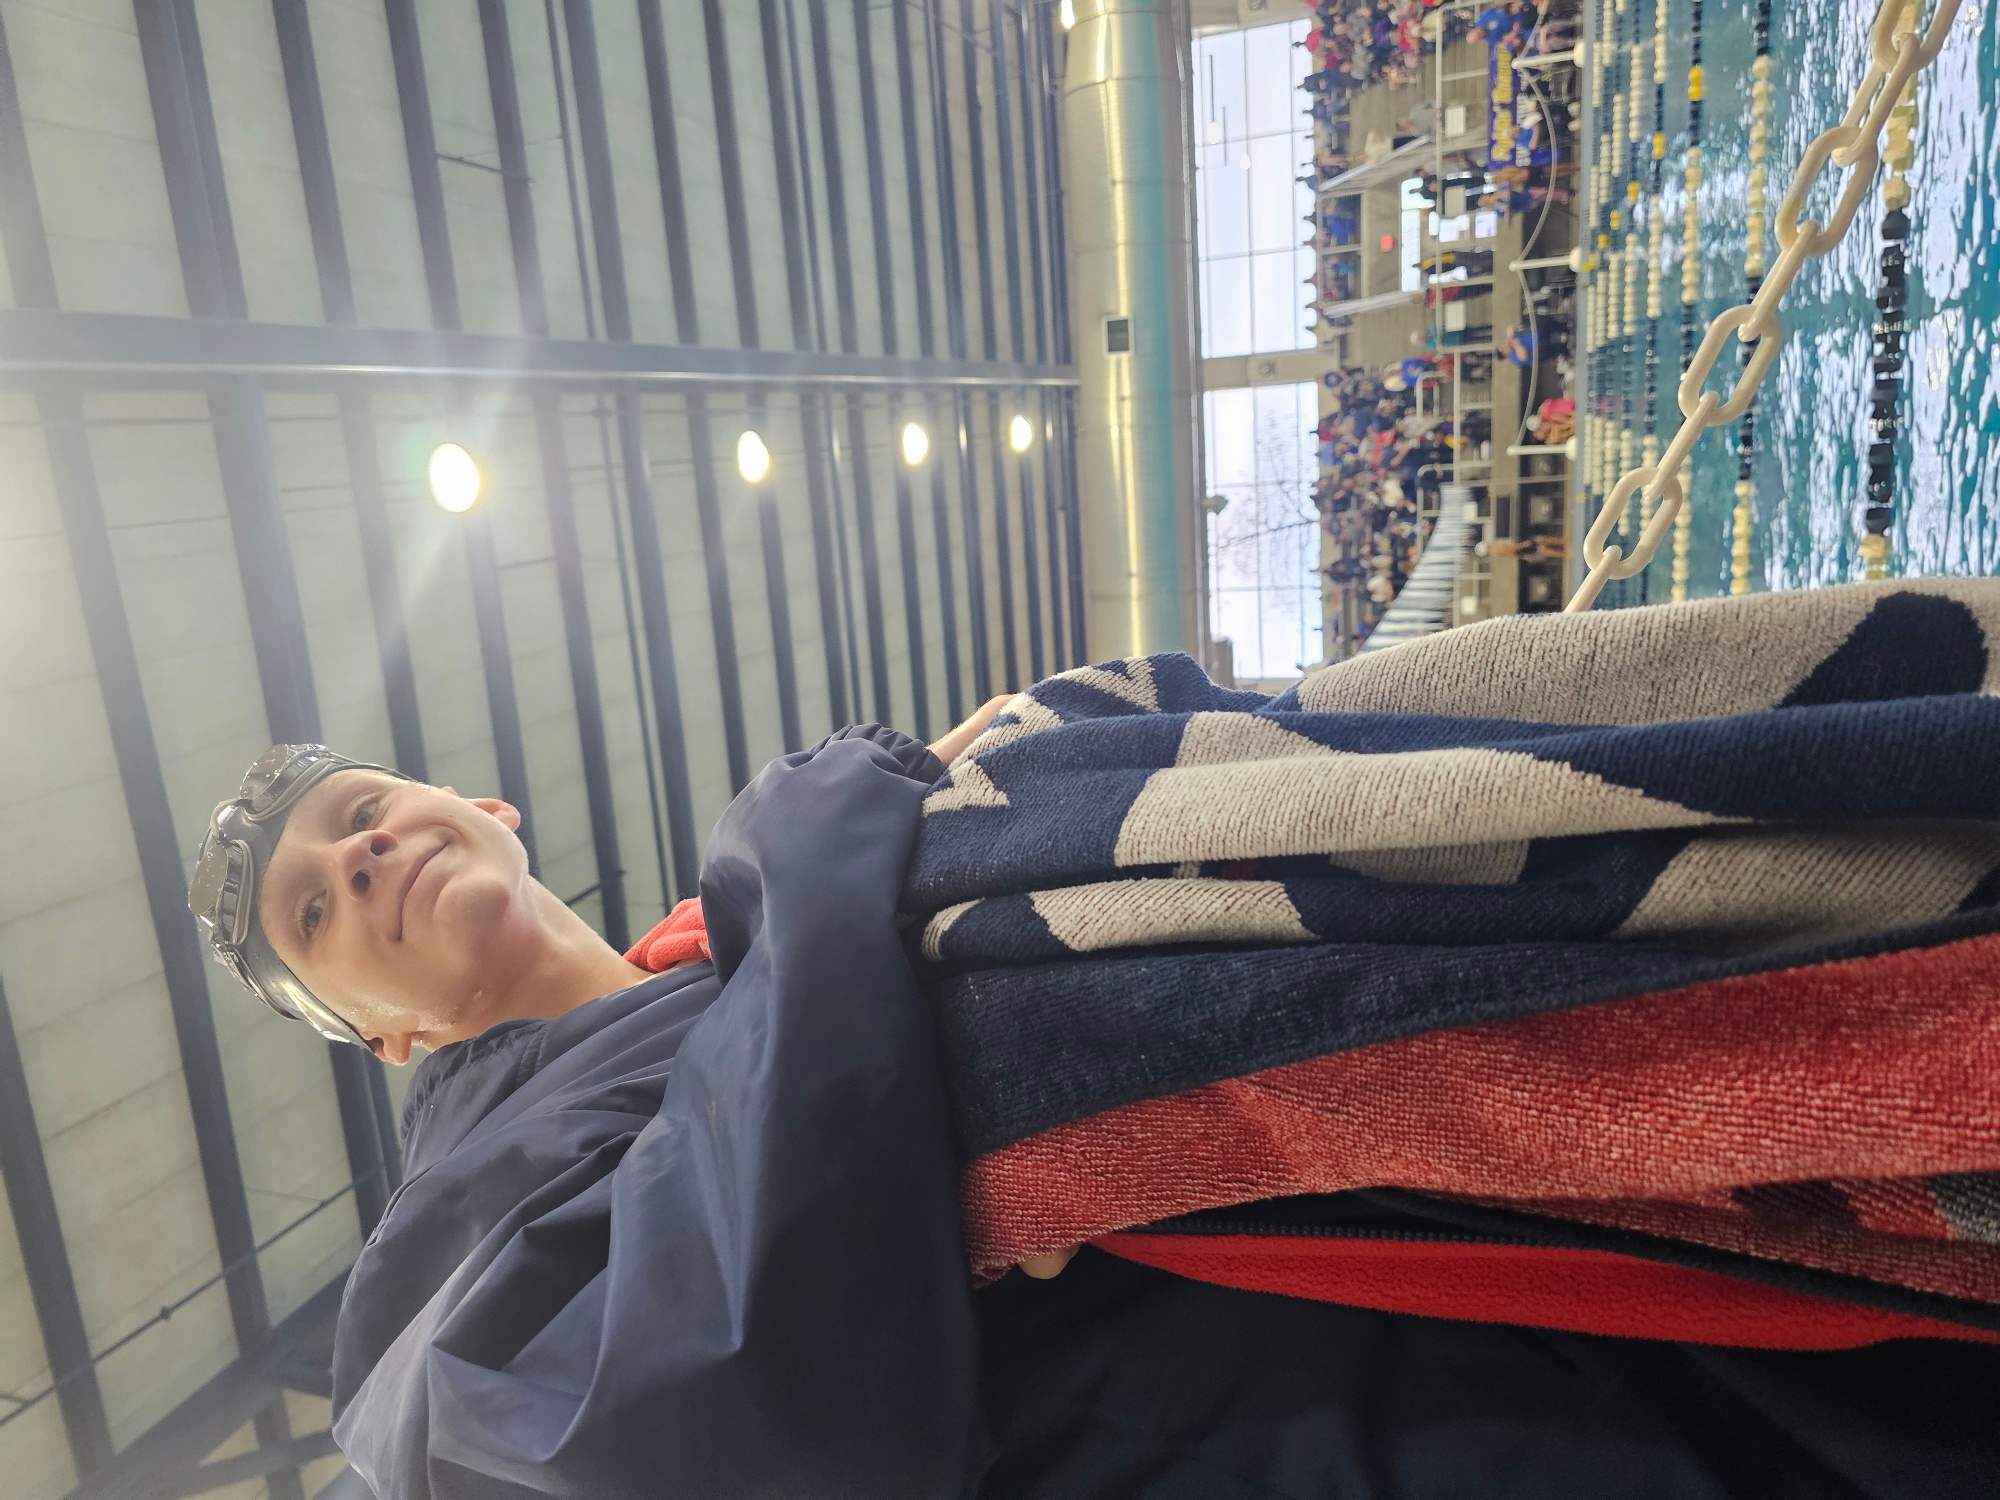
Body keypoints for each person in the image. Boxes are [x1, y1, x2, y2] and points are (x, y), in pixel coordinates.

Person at [192, 729, 2000, 1497]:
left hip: (1440, 1225)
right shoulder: (423, 1308)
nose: (363, 858)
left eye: (360, 811)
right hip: (1258, 1438)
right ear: (382, 1043)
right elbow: (702, 1417)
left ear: (486, 807)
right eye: (315, 913)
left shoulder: (728, 958)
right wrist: (803, 867)